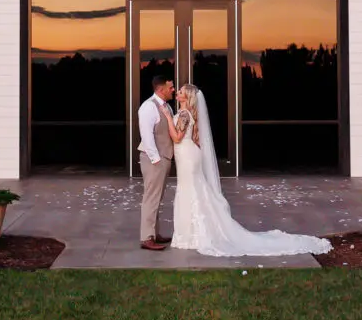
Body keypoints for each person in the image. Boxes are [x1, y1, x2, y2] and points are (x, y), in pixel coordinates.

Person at [161, 83, 332, 258]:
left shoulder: (183, 114)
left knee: (190, 191)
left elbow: (177, 137)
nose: (177, 92)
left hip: (188, 157)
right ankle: (189, 235)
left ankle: (191, 236)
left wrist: (167, 118)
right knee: (192, 190)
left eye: (180, 91)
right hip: (187, 156)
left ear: (186, 96)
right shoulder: (186, 114)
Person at [137, 75, 175, 251]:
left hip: (163, 158)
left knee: (157, 198)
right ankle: (146, 238)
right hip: (154, 159)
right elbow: (147, 135)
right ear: (160, 90)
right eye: (170, 87)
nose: (173, 90)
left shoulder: (167, 107)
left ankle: (154, 233)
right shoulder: (148, 107)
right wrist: (156, 159)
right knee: (151, 198)